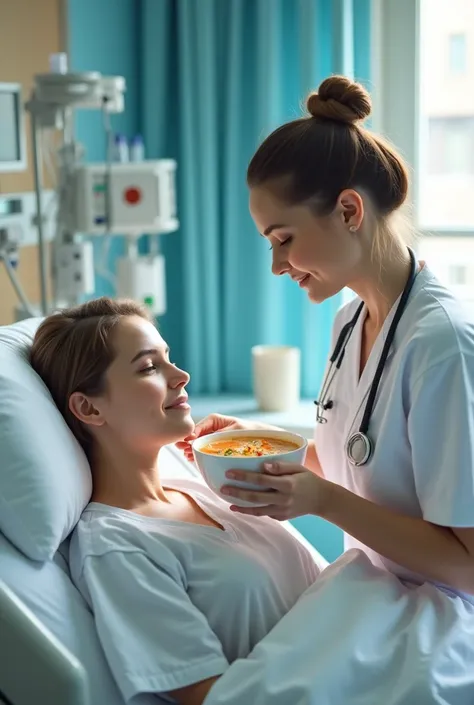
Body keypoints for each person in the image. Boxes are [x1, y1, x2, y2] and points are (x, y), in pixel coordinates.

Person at [178, 75, 474, 703]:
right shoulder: (350, 323)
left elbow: (467, 563)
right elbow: (363, 464)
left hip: (443, 614)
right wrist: (259, 448)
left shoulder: (443, 344)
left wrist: (319, 500)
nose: (277, 265)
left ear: (348, 210)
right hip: (374, 591)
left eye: (283, 239)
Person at [30, 296, 320, 705]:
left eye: (168, 358)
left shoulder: (196, 485)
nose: (181, 375)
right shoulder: (118, 547)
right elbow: (210, 697)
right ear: (89, 407)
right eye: (149, 367)